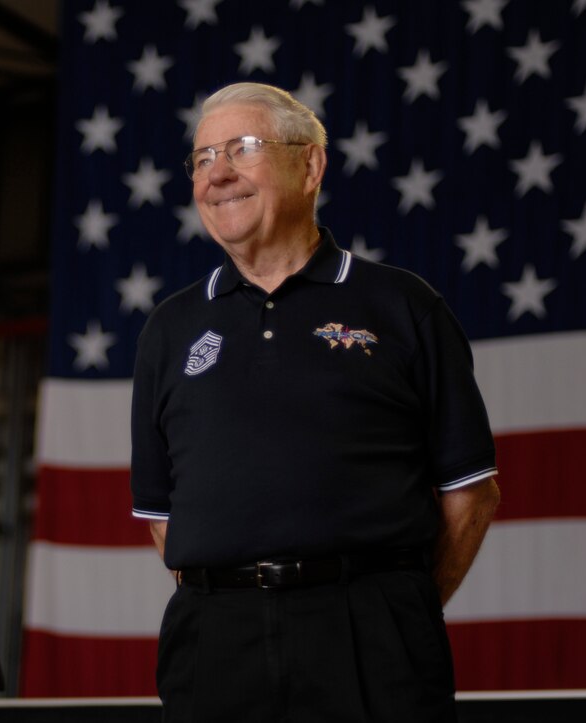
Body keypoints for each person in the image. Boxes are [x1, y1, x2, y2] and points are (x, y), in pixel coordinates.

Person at [129, 82, 501, 722]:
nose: (216, 174)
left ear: (310, 165)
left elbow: (470, 494)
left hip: (372, 639)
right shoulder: (169, 329)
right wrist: (244, 591)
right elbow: (164, 517)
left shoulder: (402, 306)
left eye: (241, 149)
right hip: (215, 644)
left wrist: (392, 607)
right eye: (201, 158)